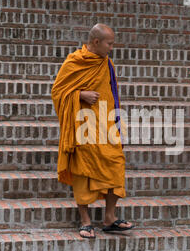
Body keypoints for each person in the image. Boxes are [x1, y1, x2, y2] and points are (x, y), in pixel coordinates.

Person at [51, 23, 134, 238]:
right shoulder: (74, 62)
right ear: (96, 42)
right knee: (83, 172)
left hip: (106, 124)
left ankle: (110, 218)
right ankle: (85, 221)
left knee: (116, 164)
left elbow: (114, 94)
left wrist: (118, 124)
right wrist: (79, 95)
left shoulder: (107, 64)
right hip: (83, 125)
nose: (111, 48)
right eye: (109, 43)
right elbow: (58, 92)